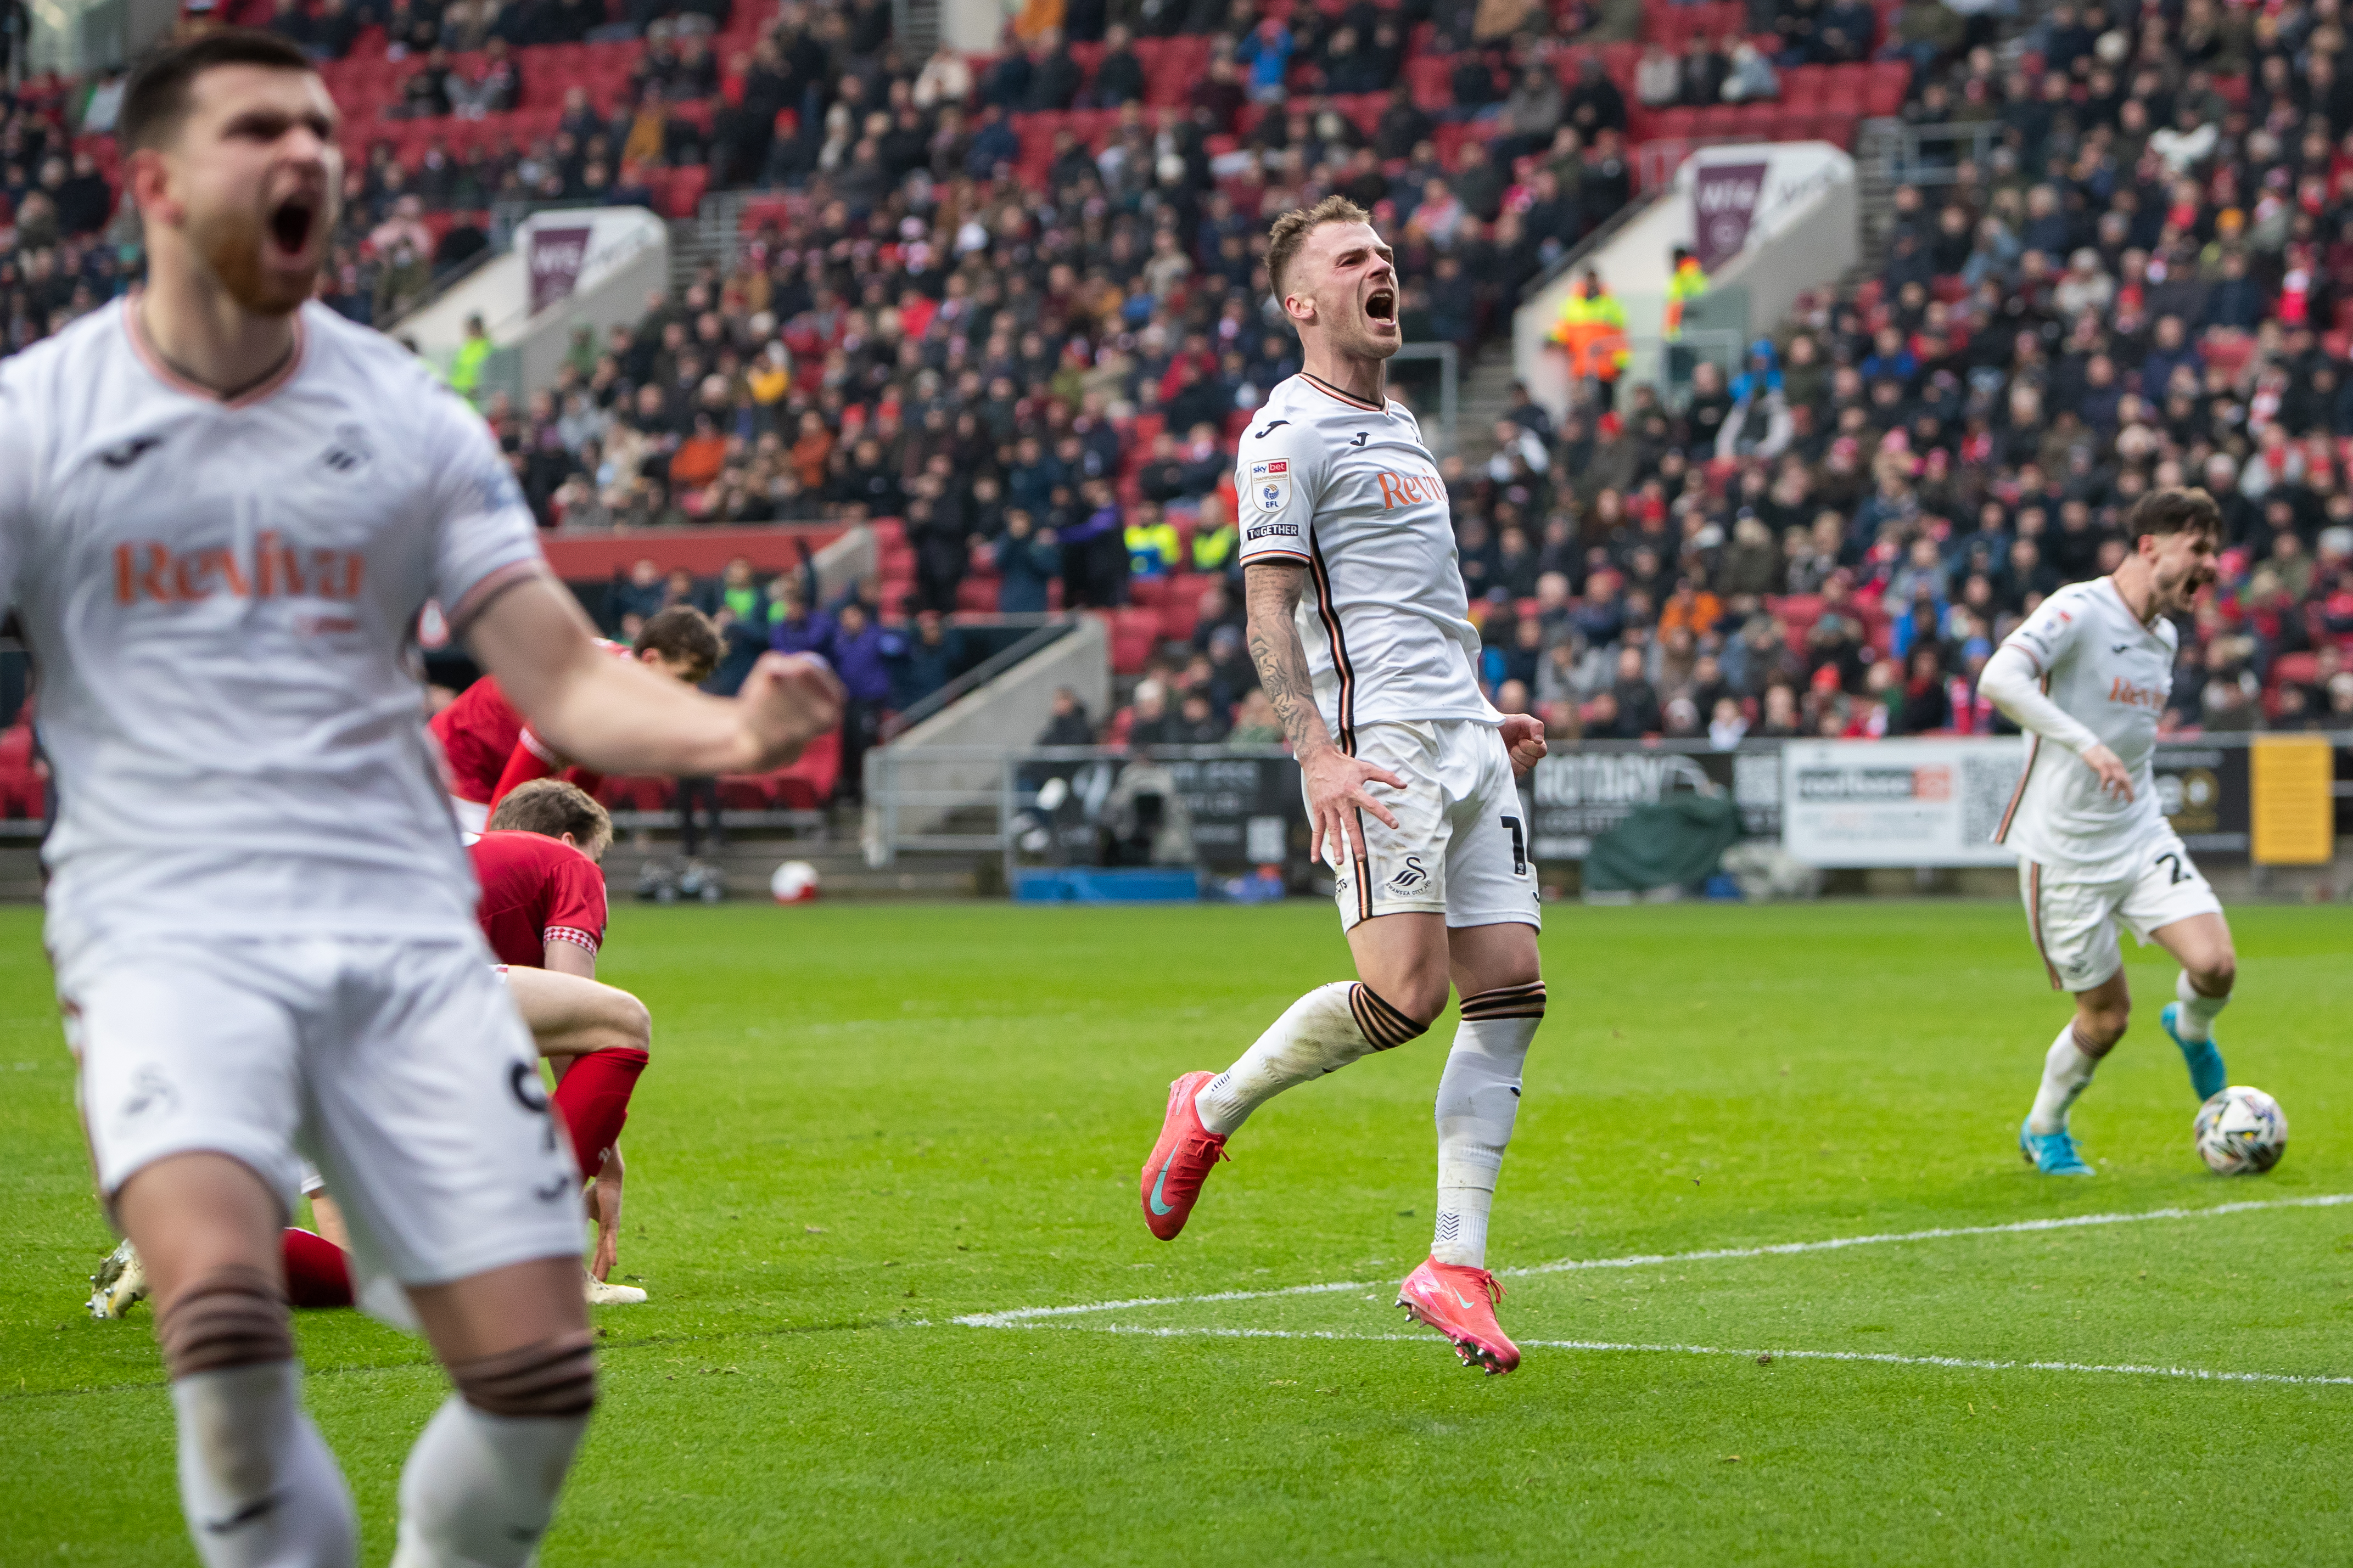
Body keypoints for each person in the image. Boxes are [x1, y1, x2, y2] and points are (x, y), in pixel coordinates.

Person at [18, 32, 842, 1568]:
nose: (310, 154)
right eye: (262, 126)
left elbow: (563, 679)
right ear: (152, 180)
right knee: (234, 1373)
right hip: (172, 934)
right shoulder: (40, 423)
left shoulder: (403, 416)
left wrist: (731, 732)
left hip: (385, 915)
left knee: (533, 1382)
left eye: (325, 128)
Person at [1136, 196, 1549, 1375]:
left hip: (1462, 732)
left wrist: (1483, 709)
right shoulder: (1286, 433)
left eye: (1384, 251)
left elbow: (1409, 606)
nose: (1384, 267)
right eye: (1351, 258)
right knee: (1406, 998)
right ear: (1302, 303)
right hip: (1382, 749)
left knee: (1510, 989)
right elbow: (1266, 601)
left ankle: (1453, 1262)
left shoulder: (1406, 421)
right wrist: (1314, 750)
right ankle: (1210, 1108)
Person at [1981, 488, 2237, 1175]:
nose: (2210, 566)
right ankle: (2044, 1126)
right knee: (2105, 1017)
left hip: (2138, 832)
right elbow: (1997, 678)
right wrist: (2084, 744)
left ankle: (2189, 1028)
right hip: (2061, 852)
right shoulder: (2077, 608)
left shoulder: (2164, 637)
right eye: (2199, 550)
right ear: (2150, 545)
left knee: (2214, 964)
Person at [431, 603, 720, 834]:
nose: (692, 692)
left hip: (492, 757)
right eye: (685, 678)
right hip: (461, 757)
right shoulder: (593, 694)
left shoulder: (624, 694)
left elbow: (582, 782)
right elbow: (509, 804)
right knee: (488, 876)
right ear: (651, 659)